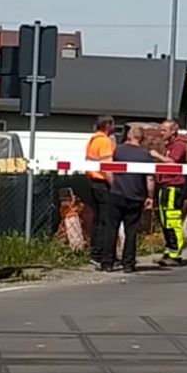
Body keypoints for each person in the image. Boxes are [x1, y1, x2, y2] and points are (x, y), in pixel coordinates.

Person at [104, 125, 155, 273]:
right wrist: (149, 196)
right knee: (131, 230)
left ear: (128, 136)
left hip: (117, 194)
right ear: (142, 138)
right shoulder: (146, 156)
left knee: (111, 228)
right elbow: (150, 179)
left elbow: (107, 169)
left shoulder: (117, 150)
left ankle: (108, 262)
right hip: (136, 197)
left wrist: (114, 184)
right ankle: (128, 263)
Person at [149, 119, 187, 266]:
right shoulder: (168, 146)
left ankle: (175, 253)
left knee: (172, 219)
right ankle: (168, 250)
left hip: (173, 186)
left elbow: (172, 162)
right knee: (164, 220)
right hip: (164, 186)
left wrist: (157, 156)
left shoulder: (179, 145)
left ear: (173, 131)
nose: (161, 133)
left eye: (164, 130)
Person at [85, 115, 116, 270]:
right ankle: (102, 254)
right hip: (103, 184)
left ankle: (95, 253)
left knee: (97, 220)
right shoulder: (104, 141)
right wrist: (114, 185)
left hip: (93, 183)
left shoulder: (92, 140)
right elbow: (106, 166)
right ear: (108, 125)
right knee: (106, 220)